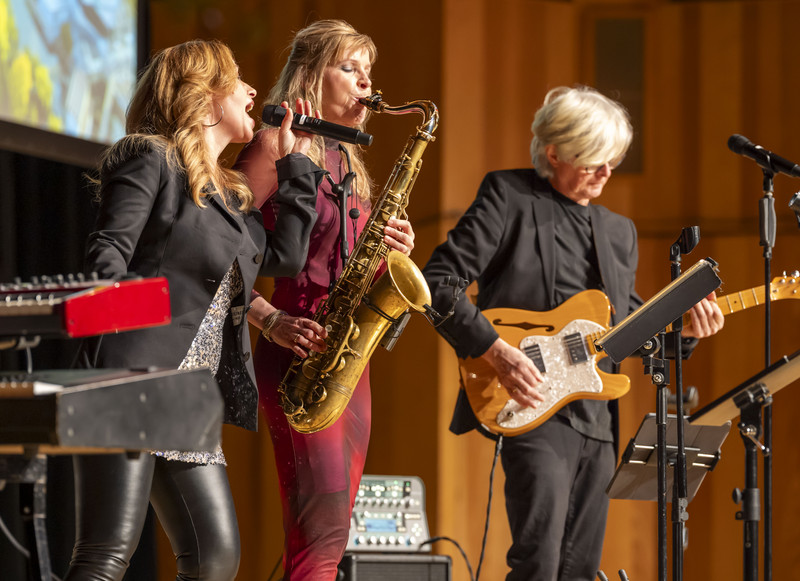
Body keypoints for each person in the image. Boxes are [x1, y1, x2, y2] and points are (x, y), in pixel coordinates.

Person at [422, 85, 725, 581]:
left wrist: (687, 332)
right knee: (537, 561)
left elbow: (629, 332)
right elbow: (438, 283)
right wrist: (496, 352)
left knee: (581, 568)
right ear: (553, 151)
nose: (607, 173)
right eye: (593, 161)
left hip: (597, 419)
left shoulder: (618, 231)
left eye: (613, 161)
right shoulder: (508, 195)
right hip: (530, 402)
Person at [64, 39, 324, 581]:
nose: (255, 91)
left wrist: (294, 161)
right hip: (132, 380)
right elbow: (108, 252)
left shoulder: (228, 195)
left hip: (190, 399)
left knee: (215, 559)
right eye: (239, 81)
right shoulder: (148, 155)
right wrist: (107, 353)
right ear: (206, 100)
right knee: (106, 555)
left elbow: (283, 256)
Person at [234, 19, 416, 580]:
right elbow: (218, 251)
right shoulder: (274, 146)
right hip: (298, 349)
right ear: (313, 74)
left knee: (329, 537)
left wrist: (397, 251)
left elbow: (350, 267)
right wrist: (269, 320)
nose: (367, 84)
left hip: (346, 356)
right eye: (351, 69)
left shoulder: (348, 162)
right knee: (319, 534)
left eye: (370, 73)